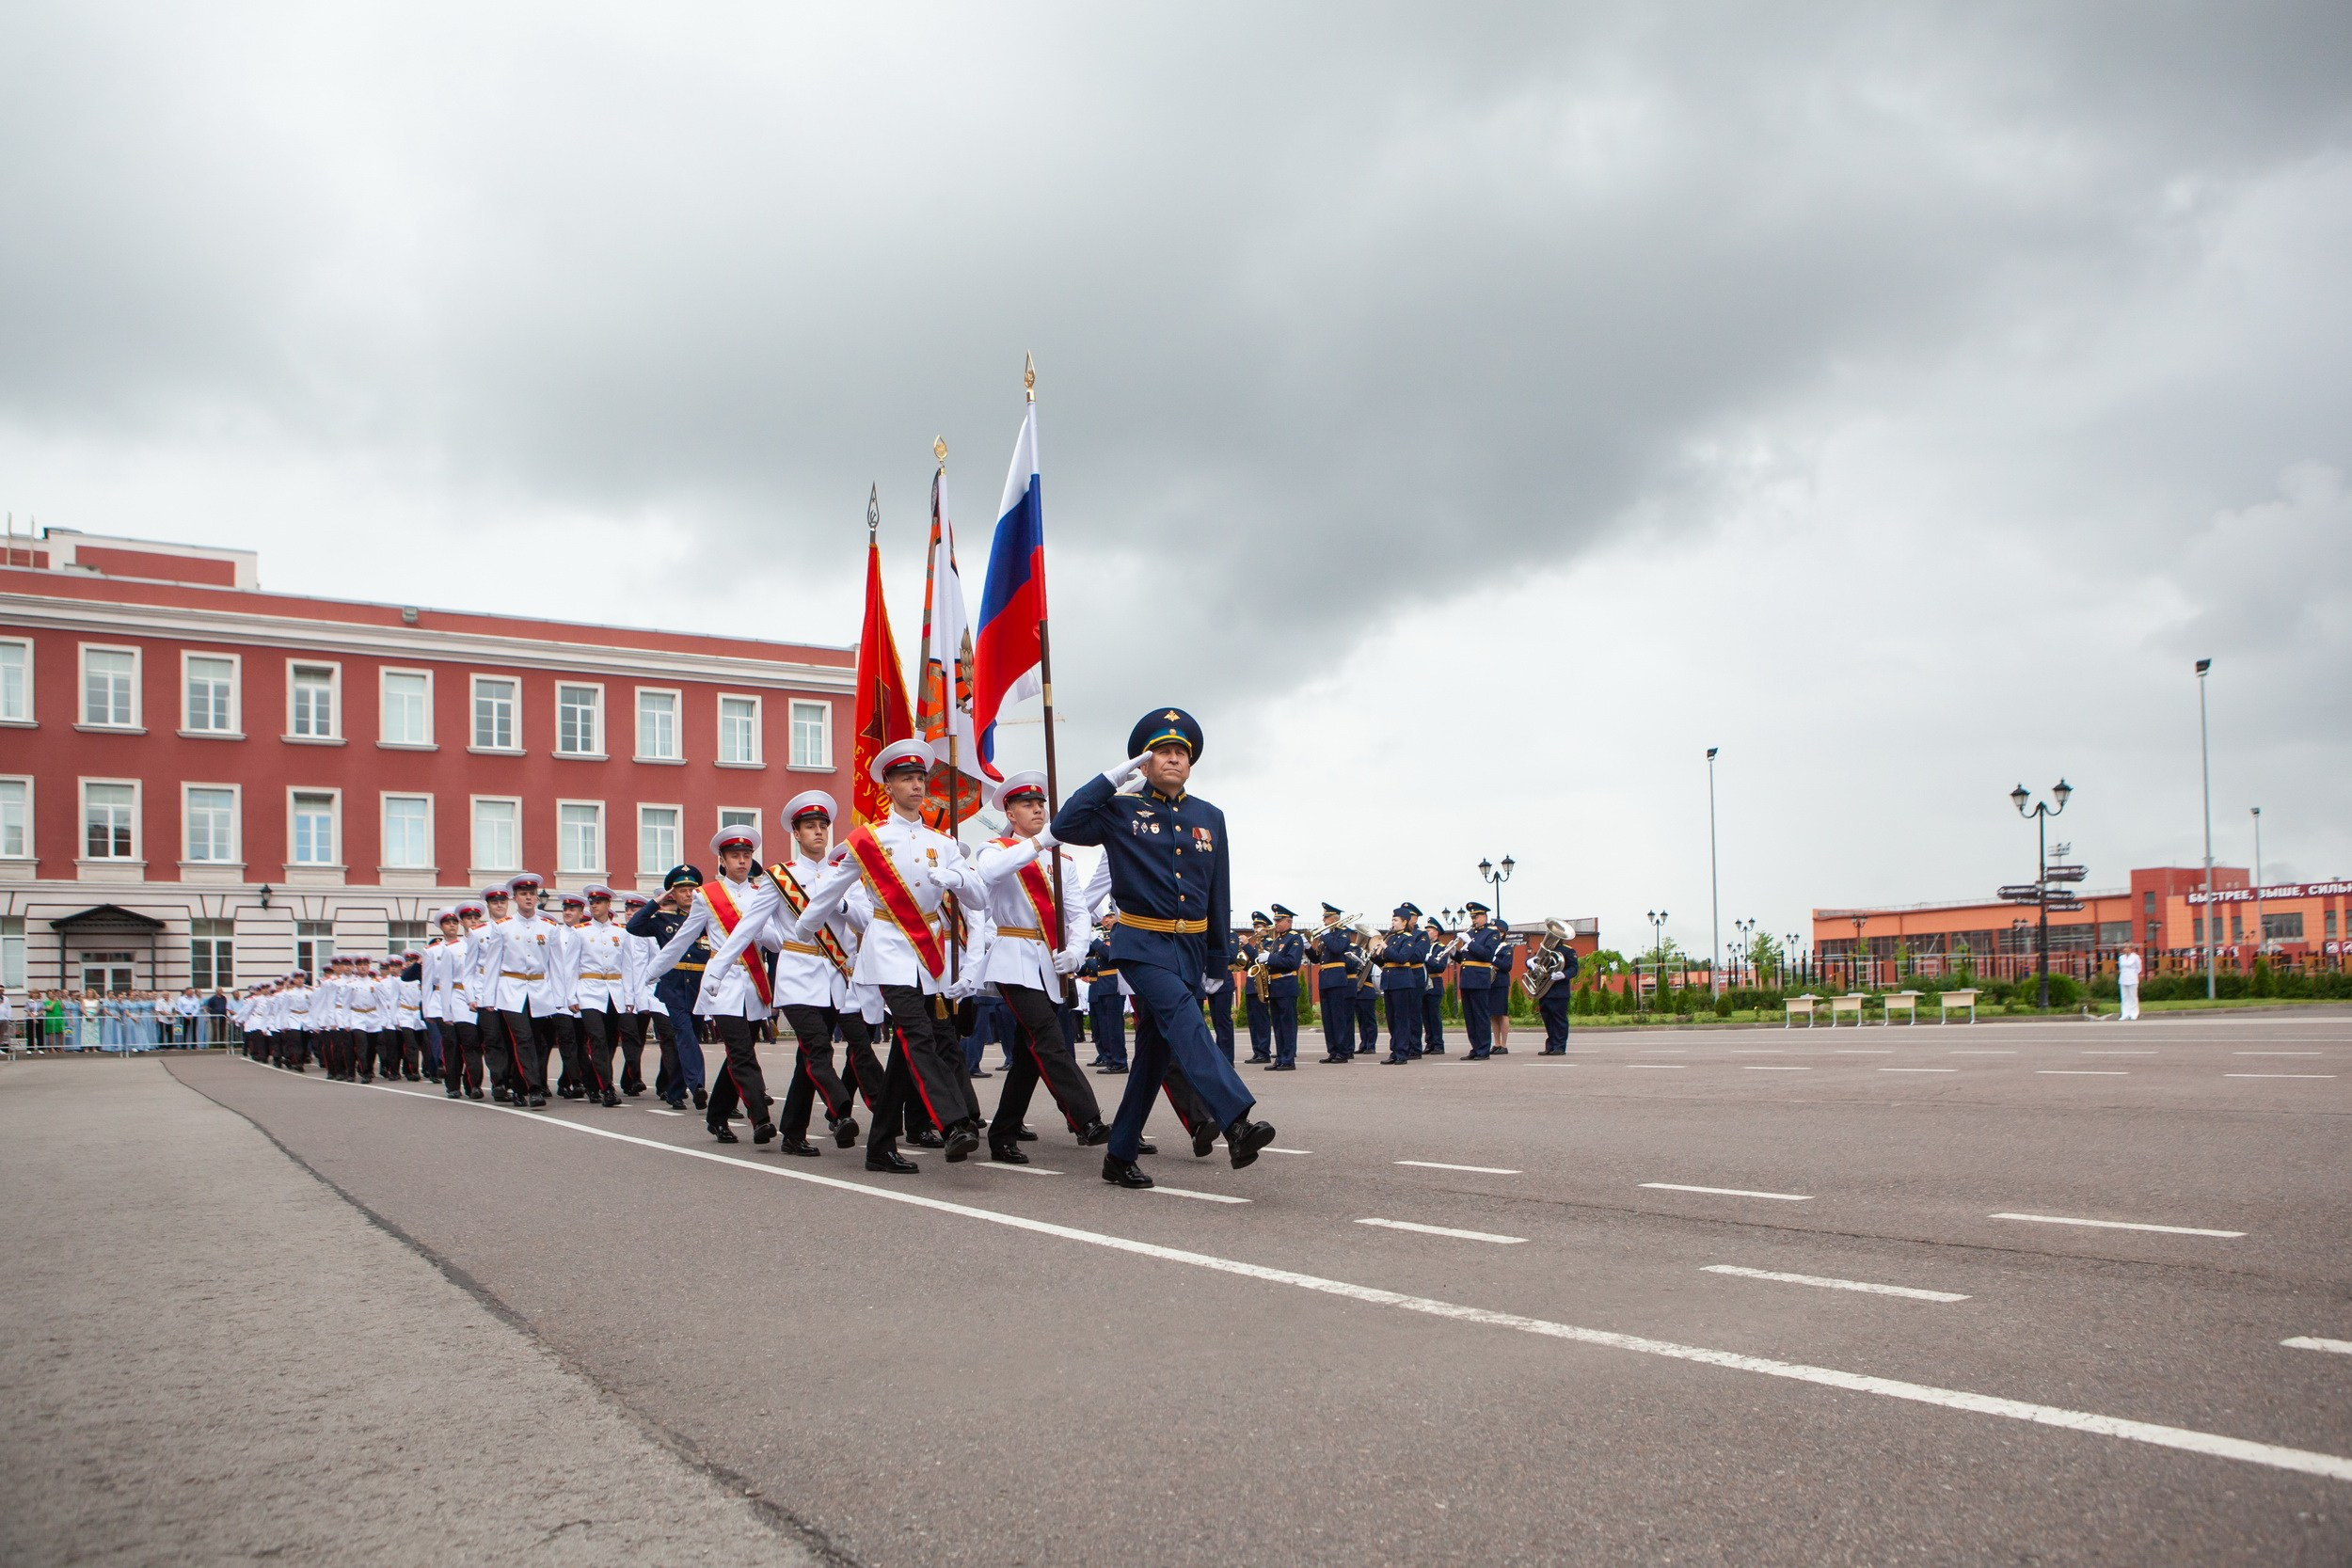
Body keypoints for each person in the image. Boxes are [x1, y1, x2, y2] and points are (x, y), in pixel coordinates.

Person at [1048, 708, 1275, 1190]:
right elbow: (1066, 825)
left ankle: (1120, 1154)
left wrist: (1217, 957)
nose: (1173, 759)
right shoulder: (1119, 809)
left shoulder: (1208, 817)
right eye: (1161, 753)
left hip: (1190, 948)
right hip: (1141, 943)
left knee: (1153, 1054)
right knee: (1187, 1021)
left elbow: (1219, 891)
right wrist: (1113, 778)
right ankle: (1236, 1121)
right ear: (1144, 764)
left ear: (1190, 763)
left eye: (1180, 753)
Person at [787, 739, 991, 1173]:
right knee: (919, 1033)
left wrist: (955, 875)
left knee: (907, 1051)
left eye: (921, 778)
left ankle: (879, 1147)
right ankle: (954, 1122)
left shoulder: (945, 842)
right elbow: (832, 890)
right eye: (907, 779)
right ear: (888, 785)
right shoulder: (868, 840)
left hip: (929, 953)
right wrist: (806, 926)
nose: (917, 786)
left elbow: (978, 897)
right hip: (888, 947)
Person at [972, 771, 1110, 1163]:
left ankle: (1002, 1133)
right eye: (1028, 805)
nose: (1038, 809)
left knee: (1030, 1053)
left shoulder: (1060, 860)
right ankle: (1087, 1119)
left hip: (1049, 963)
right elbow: (991, 875)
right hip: (1012, 957)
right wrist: (1038, 843)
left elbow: (1079, 912)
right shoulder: (993, 848)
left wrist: (1079, 950)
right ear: (1010, 814)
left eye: (1041, 804)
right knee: (1049, 1039)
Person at [758, 790, 883, 1157]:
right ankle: (841, 1111)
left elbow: (868, 919)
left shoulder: (845, 874)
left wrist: (841, 902)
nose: (817, 832)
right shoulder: (780, 877)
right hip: (797, 972)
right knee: (818, 1048)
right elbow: (757, 924)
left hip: (833, 977)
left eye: (822, 826)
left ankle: (793, 1133)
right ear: (795, 833)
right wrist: (778, 943)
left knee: (806, 1059)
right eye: (809, 827)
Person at [649, 827, 784, 1147]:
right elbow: (682, 940)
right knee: (740, 1050)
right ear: (722, 860)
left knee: (740, 1053)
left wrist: (763, 931)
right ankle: (759, 1118)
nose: (742, 861)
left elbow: (777, 942)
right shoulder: (707, 896)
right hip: (721, 984)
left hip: (753, 983)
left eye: (747, 856)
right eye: (735, 856)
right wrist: (654, 971)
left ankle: (717, 1116)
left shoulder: (762, 892)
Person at [476, 872, 566, 1108]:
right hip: (510, 989)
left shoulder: (548, 927)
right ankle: (534, 1088)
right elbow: (492, 963)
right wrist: (488, 997)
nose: (528, 898)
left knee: (534, 1041)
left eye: (532, 894)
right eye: (523, 894)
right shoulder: (502, 927)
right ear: (515, 898)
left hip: (538, 989)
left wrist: (560, 996)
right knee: (522, 1038)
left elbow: (555, 965)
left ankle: (518, 1088)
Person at [626, 867, 711, 1110]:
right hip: (673, 986)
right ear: (673, 895)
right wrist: (657, 902)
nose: (688, 894)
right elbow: (634, 927)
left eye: (692, 890)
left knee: (689, 1038)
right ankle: (697, 1086)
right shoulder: (664, 919)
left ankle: (674, 1091)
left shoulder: (706, 920)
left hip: (698, 987)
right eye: (682, 890)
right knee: (684, 1035)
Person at [568, 885, 629, 1106]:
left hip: (614, 990)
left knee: (612, 1040)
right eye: (592, 903)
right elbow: (570, 966)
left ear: (608, 905)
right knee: (597, 1038)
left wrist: (629, 996)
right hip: (589, 990)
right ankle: (607, 1088)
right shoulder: (580, 931)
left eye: (599, 902)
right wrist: (571, 996)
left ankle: (593, 1084)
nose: (594, 906)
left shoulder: (621, 933)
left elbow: (627, 965)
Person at [1377, 905, 1430, 1064]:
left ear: (1404, 921)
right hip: (1390, 981)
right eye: (1392, 919)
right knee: (1392, 1019)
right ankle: (1394, 1051)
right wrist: (1374, 953)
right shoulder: (1392, 938)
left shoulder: (1409, 938)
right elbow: (1384, 961)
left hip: (1402, 981)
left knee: (1402, 1018)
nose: (1392, 923)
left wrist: (1386, 948)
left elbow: (1402, 958)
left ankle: (1402, 1052)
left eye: (1395, 920)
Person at [1082, 916, 1126, 1072]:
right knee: (1106, 1027)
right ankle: (1112, 1060)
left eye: (1110, 916)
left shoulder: (1120, 933)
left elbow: (1110, 954)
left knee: (1114, 1026)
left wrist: (1095, 941)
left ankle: (1119, 1061)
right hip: (1104, 984)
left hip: (1114, 983)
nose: (1106, 920)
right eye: (1105, 917)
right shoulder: (1107, 935)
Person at [1457, 903, 1501, 1059]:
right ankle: (1475, 1048)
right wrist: (1453, 953)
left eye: (1476, 917)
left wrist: (1470, 942)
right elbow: (1464, 959)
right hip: (1467, 979)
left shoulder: (1491, 934)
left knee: (1480, 1015)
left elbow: (1486, 955)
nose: (1474, 920)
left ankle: (1483, 1049)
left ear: (1484, 917)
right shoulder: (1472, 933)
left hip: (1479, 979)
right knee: (1470, 1017)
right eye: (1472, 917)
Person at [1312, 904, 1355, 1064]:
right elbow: (1317, 959)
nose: (1323, 920)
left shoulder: (1343, 933)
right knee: (1328, 1019)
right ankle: (1332, 1051)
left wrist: (1325, 936)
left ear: (1334, 918)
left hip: (1337, 978)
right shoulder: (1327, 935)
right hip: (1325, 979)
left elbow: (1338, 949)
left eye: (1326, 917)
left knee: (1338, 1017)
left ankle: (1342, 1052)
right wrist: (1309, 947)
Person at [1237, 915, 1273, 1063]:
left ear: (1266, 928)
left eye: (1259, 926)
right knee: (1253, 1021)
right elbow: (1251, 964)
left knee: (1261, 1020)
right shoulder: (1256, 944)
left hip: (1262, 985)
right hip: (1252, 985)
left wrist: (1246, 945)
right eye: (1254, 926)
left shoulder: (1270, 943)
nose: (1256, 929)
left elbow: (1258, 959)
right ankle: (1257, 1050)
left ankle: (1264, 1052)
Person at [1538, 937, 1579, 1053]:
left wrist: (1563, 974)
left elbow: (1574, 968)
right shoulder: (1544, 949)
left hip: (1559, 991)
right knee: (1548, 1019)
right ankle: (1550, 1046)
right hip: (1544, 990)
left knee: (1559, 1020)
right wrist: (1529, 962)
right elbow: (1536, 961)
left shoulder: (1568, 951)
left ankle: (1560, 1046)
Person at [1422, 918, 1452, 1055]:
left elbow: (1440, 966)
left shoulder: (1441, 947)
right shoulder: (1424, 946)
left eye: (1429, 930)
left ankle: (1438, 1044)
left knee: (1433, 1015)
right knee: (1425, 1016)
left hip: (1434, 982)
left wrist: (1428, 959)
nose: (1426, 932)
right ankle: (1429, 1043)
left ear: (1436, 932)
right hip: (1423, 983)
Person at [1489, 924, 1518, 1054]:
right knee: (1493, 1015)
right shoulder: (1489, 947)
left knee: (1502, 1013)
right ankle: (1496, 1043)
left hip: (1500, 983)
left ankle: (1504, 1044)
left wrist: (1494, 960)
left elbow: (1507, 966)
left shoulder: (1506, 948)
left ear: (1502, 933)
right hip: (1489, 982)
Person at [2117, 947, 2143, 1022]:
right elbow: (2120, 968)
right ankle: (2125, 1014)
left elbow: (2139, 968)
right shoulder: (2121, 957)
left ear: (2130, 949)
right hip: (2123, 978)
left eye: (2126, 947)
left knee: (2133, 996)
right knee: (2124, 997)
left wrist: (2133, 973)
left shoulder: (2135, 957)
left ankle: (2134, 1014)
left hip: (2132, 978)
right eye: (2124, 947)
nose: (2124, 949)